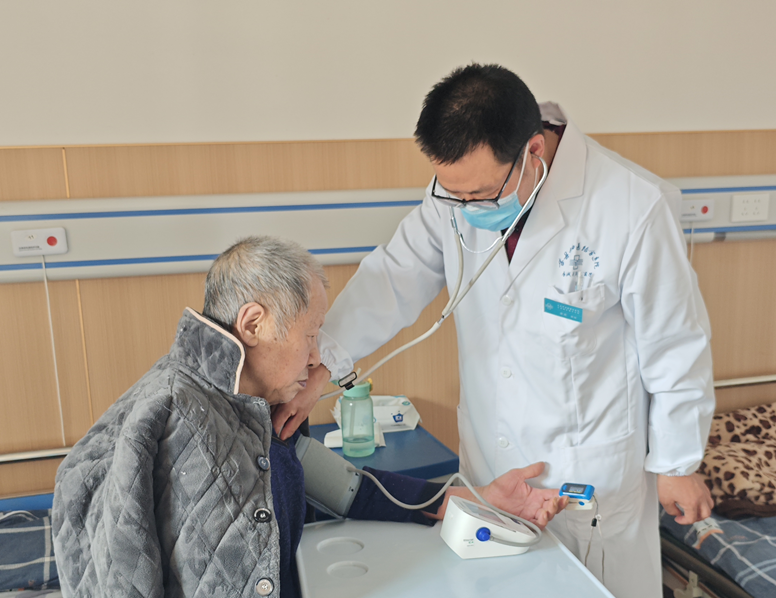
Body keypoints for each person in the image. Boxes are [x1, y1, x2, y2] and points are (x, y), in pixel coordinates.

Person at [272, 64, 716, 598]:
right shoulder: (457, 195)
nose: (466, 209)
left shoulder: (632, 207)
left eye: (481, 195)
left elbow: (675, 344)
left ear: (533, 151)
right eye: (452, 193)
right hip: (491, 471)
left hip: (584, 479)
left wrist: (675, 463)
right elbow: (391, 279)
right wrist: (319, 366)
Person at [51, 235, 567, 598]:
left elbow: (349, 488)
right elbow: (115, 571)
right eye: (311, 335)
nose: (318, 357)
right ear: (254, 324)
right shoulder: (170, 415)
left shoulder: (253, 412)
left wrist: (476, 499)